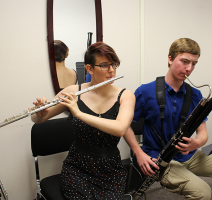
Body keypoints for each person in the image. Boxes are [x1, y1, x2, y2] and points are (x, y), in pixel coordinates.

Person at [124, 38, 212, 200]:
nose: (189, 69)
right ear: (170, 59)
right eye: (184, 61)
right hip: (159, 158)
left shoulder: (195, 94)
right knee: (202, 192)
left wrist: (198, 142)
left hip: (190, 156)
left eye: (194, 64)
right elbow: (124, 125)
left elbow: (203, 133)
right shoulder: (145, 91)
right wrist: (138, 153)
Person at [31, 42, 135, 199]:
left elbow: (120, 128)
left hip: (110, 169)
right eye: (105, 65)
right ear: (89, 69)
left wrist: (79, 113)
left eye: (114, 64)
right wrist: (39, 112)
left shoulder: (126, 95)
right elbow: (38, 119)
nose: (112, 70)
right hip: (78, 167)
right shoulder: (73, 92)